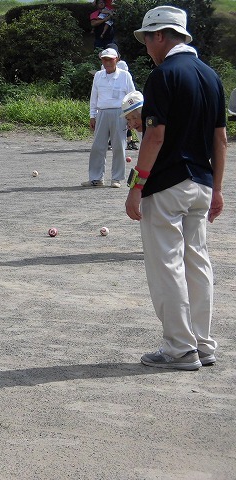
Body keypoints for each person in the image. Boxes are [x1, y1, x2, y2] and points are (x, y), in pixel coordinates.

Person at [125, 6, 227, 370]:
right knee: (197, 262)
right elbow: (221, 139)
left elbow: (154, 134)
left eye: (147, 39)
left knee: (167, 265)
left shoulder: (163, 75)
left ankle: (178, 349)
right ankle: (203, 344)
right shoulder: (211, 77)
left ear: (160, 36)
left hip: (167, 184)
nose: (147, 48)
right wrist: (217, 189)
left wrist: (137, 184)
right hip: (201, 183)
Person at [82, 47, 135, 188]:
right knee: (98, 146)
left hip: (120, 113)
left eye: (110, 59)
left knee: (119, 146)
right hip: (102, 113)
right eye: (104, 59)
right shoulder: (99, 75)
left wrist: (132, 117)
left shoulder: (125, 75)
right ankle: (96, 178)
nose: (107, 62)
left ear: (116, 59)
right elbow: (94, 97)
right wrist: (92, 115)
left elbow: (132, 96)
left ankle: (116, 178)